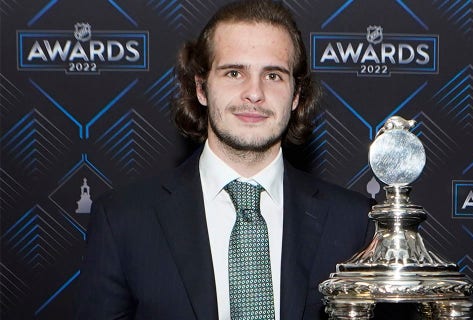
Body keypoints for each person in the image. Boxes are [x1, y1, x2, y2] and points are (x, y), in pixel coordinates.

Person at [74, 1, 384, 319]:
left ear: (295, 96)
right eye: (234, 73)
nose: (254, 93)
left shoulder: (354, 223)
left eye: (274, 75)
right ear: (201, 88)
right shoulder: (124, 219)